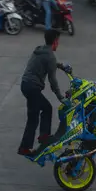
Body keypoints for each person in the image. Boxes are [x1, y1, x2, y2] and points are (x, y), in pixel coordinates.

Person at [18, 29, 71, 157]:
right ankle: (28, 145)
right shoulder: (50, 57)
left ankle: (43, 136)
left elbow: (48, 62)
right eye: (58, 41)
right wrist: (60, 97)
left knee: (44, 109)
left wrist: (60, 66)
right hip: (32, 87)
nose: (58, 44)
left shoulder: (39, 49)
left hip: (25, 84)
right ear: (55, 42)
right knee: (35, 116)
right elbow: (53, 81)